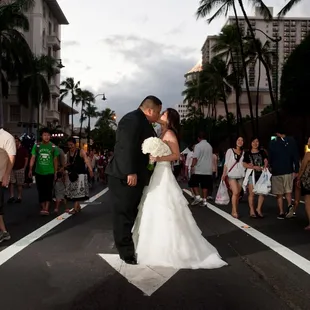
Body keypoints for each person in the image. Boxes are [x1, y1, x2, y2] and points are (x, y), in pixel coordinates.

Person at [132, 108, 227, 269]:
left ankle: (172, 249)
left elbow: (176, 155)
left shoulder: (169, 133)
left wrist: (158, 158)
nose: (160, 115)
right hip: (156, 172)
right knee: (153, 207)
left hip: (164, 172)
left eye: (163, 113)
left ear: (169, 119)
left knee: (165, 207)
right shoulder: (161, 133)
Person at [105, 95, 162, 265]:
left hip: (135, 175)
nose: (159, 116)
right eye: (158, 112)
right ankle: (126, 252)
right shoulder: (132, 119)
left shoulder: (143, 122)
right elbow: (126, 146)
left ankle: (130, 246)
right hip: (124, 176)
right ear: (150, 110)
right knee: (123, 214)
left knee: (131, 212)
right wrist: (130, 171)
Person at [269, 128, 299, 219]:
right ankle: (290, 207)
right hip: (288, 169)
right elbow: (295, 156)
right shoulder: (291, 140)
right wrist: (296, 170)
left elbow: (271, 156)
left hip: (276, 170)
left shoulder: (273, 141)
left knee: (279, 193)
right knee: (288, 191)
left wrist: (270, 166)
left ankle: (281, 212)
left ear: (277, 133)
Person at [29, 128, 59, 215]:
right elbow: (33, 157)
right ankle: (43, 207)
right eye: (45, 135)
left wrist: (55, 171)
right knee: (40, 190)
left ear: (50, 136)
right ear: (41, 136)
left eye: (48, 135)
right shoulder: (37, 146)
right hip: (39, 172)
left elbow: (55, 160)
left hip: (50, 172)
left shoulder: (53, 147)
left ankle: (46, 208)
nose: (46, 137)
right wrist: (30, 169)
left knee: (48, 190)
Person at [0, 128, 16, 243]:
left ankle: (4, 232)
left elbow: (12, 157)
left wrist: (6, 175)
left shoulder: (7, 137)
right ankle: (4, 232)